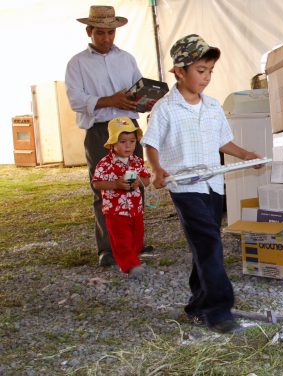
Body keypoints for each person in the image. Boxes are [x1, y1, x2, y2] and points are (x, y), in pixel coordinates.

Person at [141, 34, 261, 334]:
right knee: (209, 242)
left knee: (204, 244)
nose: (206, 78)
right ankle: (218, 311)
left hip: (213, 186)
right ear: (179, 72)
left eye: (209, 71)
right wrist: (157, 170)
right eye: (200, 71)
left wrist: (245, 154)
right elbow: (151, 143)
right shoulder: (165, 108)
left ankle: (196, 304)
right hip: (185, 188)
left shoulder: (213, 106)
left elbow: (223, 141)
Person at [65, 5, 153, 267]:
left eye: (111, 33)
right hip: (100, 130)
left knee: (135, 184)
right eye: (101, 33)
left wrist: (145, 100)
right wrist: (110, 100)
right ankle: (107, 248)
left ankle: (134, 243)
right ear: (89, 31)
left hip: (129, 128)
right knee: (103, 186)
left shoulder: (126, 58)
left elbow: (140, 88)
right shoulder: (77, 63)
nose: (106, 38)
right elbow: (75, 100)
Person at [92, 117, 151, 279]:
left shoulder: (137, 162)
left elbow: (146, 180)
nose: (128, 146)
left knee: (137, 240)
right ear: (112, 144)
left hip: (135, 209)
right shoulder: (104, 164)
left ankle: (131, 259)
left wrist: (137, 183)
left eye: (132, 141)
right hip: (115, 211)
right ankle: (130, 265)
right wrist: (116, 184)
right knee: (122, 240)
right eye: (123, 141)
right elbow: (97, 184)